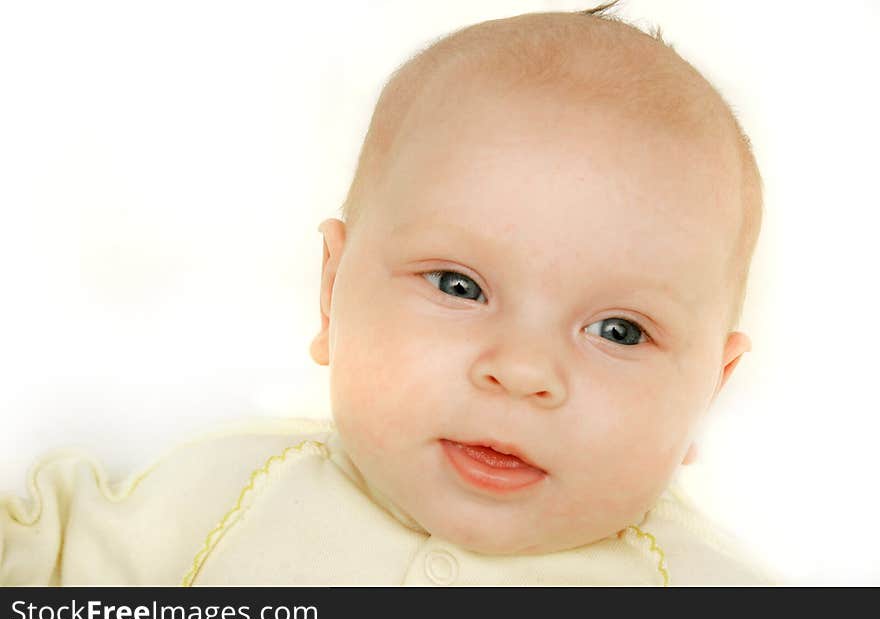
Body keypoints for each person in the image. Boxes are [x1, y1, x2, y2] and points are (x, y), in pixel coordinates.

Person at [0, 4, 779, 586]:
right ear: (332, 292)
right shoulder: (219, 495)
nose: (520, 369)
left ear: (709, 387)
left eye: (618, 329)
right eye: (458, 285)